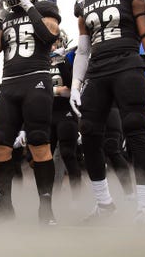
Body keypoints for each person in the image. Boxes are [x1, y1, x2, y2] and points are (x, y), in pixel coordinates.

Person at [70, 0, 145, 228]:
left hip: (126, 62)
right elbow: (83, 49)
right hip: (98, 70)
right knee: (88, 134)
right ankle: (104, 203)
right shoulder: (84, 3)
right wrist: (77, 83)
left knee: (135, 128)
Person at [0, 0, 61, 225]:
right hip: (9, 85)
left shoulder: (44, 8)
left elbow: (50, 37)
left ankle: (46, 208)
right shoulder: (5, 17)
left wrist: (29, 7)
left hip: (36, 80)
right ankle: (4, 207)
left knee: (39, 140)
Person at [49, 29, 82, 200]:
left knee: (68, 154)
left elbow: (71, 88)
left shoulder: (70, 59)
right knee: (44, 157)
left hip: (65, 113)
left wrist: (61, 62)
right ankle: (48, 197)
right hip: (47, 114)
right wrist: (56, 90)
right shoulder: (41, 63)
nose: (53, 44)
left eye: (56, 41)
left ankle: (77, 197)